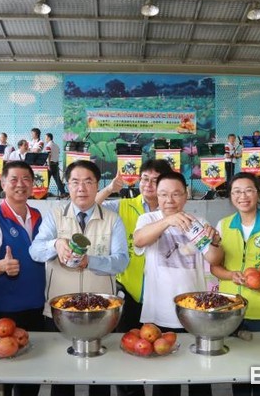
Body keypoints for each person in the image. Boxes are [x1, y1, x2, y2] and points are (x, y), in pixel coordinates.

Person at [30, 160, 128, 396]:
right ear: (67, 185)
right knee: (60, 378)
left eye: (88, 182)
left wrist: (90, 261)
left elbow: (121, 260)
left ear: (97, 186)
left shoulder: (113, 220)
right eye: (75, 182)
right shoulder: (54, 217)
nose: (81, 188)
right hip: (60, 311)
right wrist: (56, 243)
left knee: (101, 377)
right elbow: (35, 251)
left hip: (100, 312)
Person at [133, 171, 222, 396]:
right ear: (156, 195)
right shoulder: (148, 219)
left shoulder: (197, 222)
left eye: (175, 194)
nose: (169, 200)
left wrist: (215, 242)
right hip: (161, 313)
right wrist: (168, 221)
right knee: (165, 381)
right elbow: (140, 239)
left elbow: (213, 259)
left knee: (201, 377)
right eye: (163, 194)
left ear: (185, 196)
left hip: (195, 313)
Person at [95, 159, 172, 396]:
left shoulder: (171, 210)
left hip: (163, 295)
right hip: (130, 291)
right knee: (127, 351)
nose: (149, 184)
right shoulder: (124, 206)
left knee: (163, 353)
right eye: (145, 178)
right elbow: (91, 207)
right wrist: (110, 188)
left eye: (156, 180)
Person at [209, 172, 260, 396]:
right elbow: (215, 267)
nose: (243, 196)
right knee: (237, 375)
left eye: (249, 190)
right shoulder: (223, 225)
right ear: (230, 197)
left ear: (258, 193)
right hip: (230, 311)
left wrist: (255, 280)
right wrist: (231, 276)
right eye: (236, 191)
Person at [0, 160, 45, 396]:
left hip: (37, 308)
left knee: (32, 374)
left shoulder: (38, 216)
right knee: (6, 377)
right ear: (3, 183)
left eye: (26, 179)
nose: (21, 185)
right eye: (14, 180)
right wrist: (2, 265)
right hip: (6, 311)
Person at [44, 133, 67, 198]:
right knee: (58, 180)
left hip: (50, 164)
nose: (45, 139)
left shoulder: (48, 146)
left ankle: (44, 194)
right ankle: (63, 193)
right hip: (56, 165)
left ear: (48, 138)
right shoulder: (56, 146)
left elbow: (49, 156)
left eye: (45, 137)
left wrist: (48, 166)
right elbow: (57, 155)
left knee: (46, 180)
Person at [0, 132, 15, 198]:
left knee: (6, 177)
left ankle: (7, 192)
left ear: (6, 138)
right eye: (0, 138)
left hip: (7, 163)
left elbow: (13, 155)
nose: (1, 139)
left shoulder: (10, 147)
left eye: (2, 137)